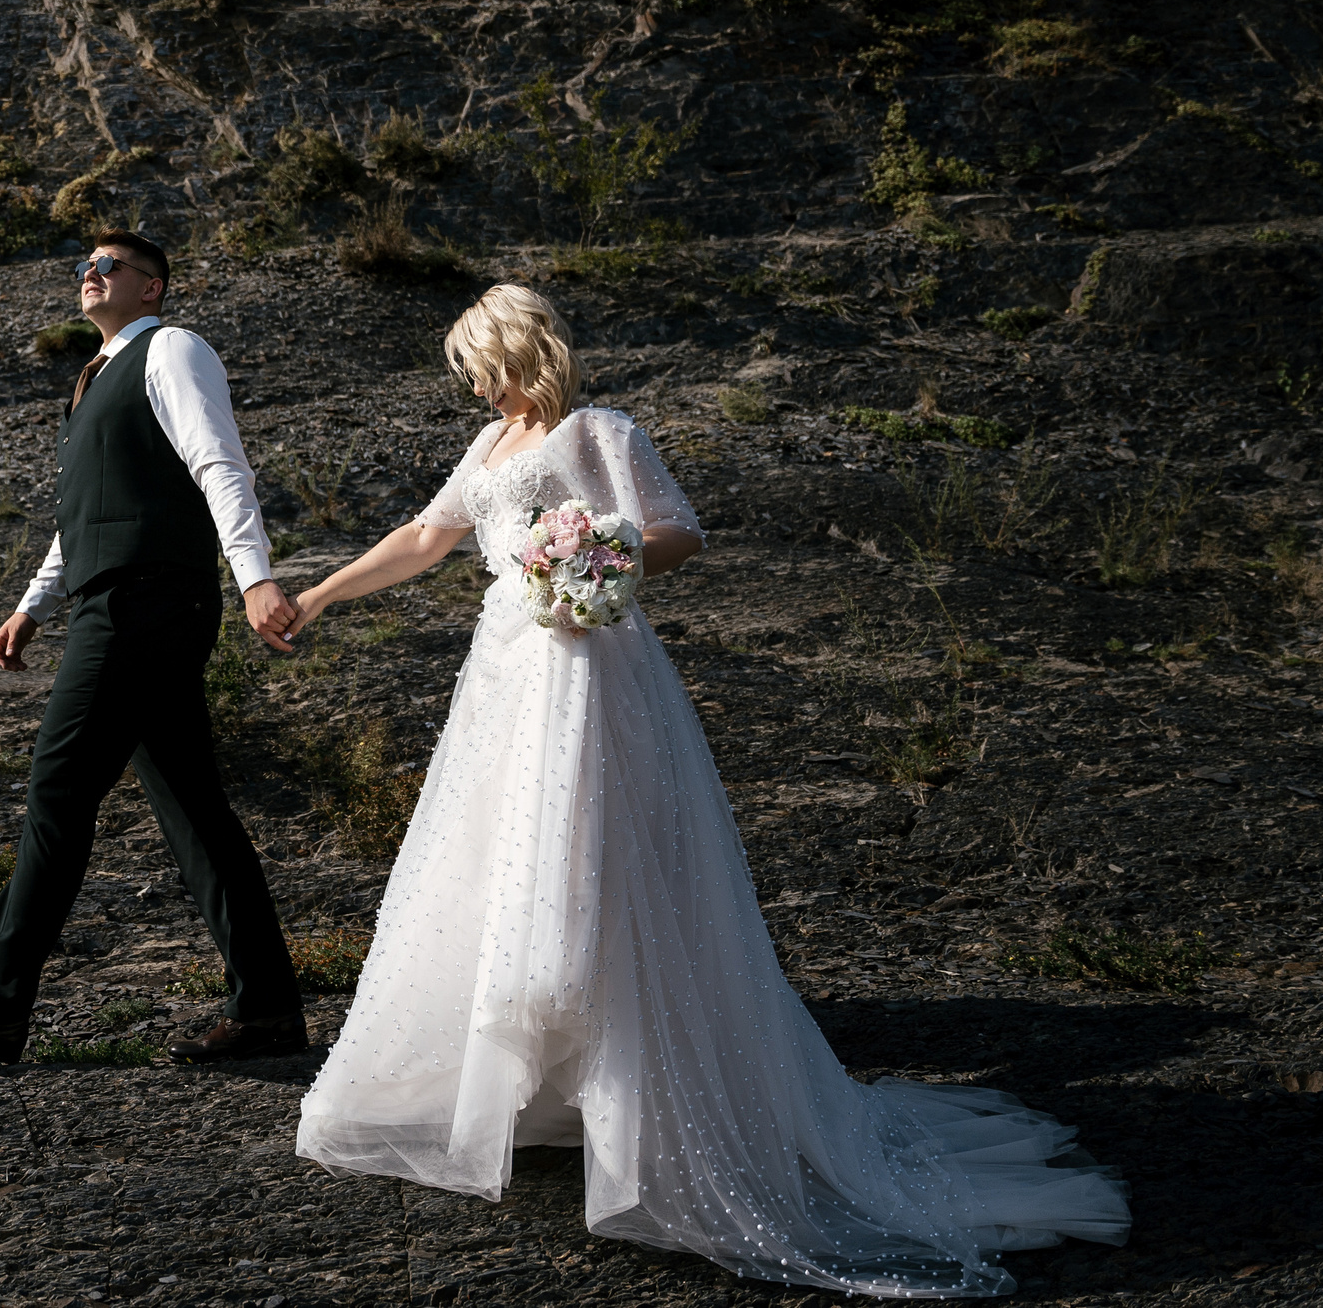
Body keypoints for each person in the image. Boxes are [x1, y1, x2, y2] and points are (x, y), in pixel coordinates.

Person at [284, 283, 1129, 1297]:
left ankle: (632, 1096)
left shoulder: (597, 428)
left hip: (587, 662)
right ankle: (542, 1083)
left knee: (594, 857)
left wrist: (594, 557)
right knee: (503, 858)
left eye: (476, 358)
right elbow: (427, 541)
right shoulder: (487, 444)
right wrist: (323, 592)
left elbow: (674, 530)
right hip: (507, 669)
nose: (468, 378)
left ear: (516, 349)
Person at [0, 230, 307, 1066]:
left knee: (58, 786)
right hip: (118, 602)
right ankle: (267, 1012)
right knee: (195, 812)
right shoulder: (91, 384)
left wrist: (256, 577)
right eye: (82, 264)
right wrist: (33, 604)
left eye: (107, 265)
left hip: (145, 602)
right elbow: (82, 514)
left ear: (152, 288)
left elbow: (220, 462)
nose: (89, 273)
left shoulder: (173, 350)